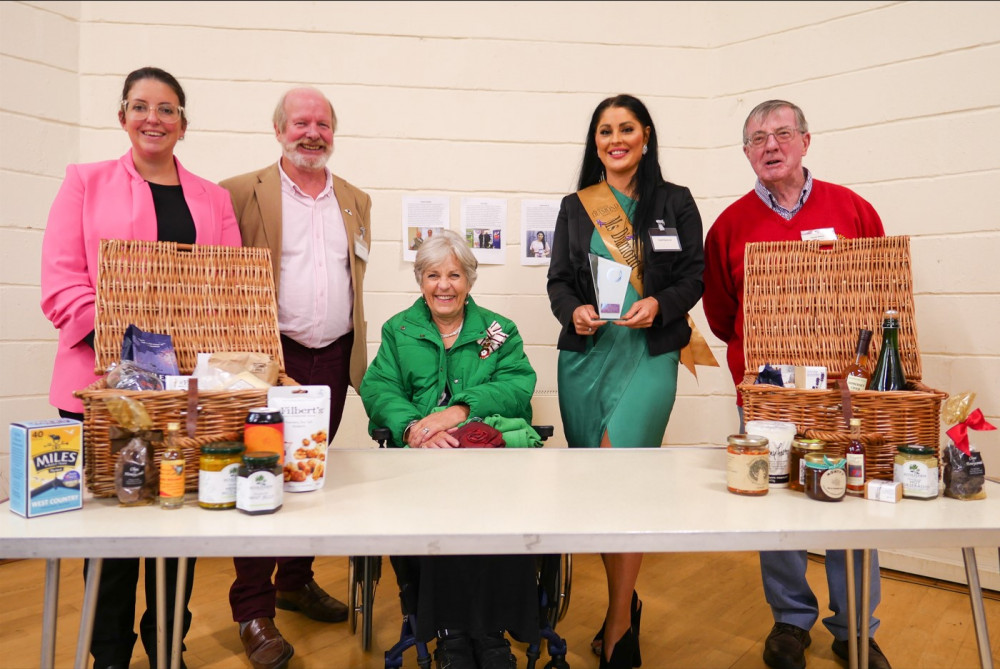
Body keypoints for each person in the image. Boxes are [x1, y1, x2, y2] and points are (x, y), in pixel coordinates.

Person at [40, 65, 241, 669]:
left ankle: (166, 650)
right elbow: (61, 280)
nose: (153, 118)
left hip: (185, 391)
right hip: (102, 389)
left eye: (167, 108)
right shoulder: (84, 182)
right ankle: (107, 656)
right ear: (122, 115)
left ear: (184, 122)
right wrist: (121, 352)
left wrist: (187, 357)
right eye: (140, 106)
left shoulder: (214, 198)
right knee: (112, 535)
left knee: (179, 526)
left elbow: (226, 287)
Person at [703, 100, 890, 669]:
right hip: (767, 395)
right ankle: (790, 620)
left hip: (845, 392)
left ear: (806, 141)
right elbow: (720, 313)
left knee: (848, 503)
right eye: (758, 138)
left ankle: (855, 626)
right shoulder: (729, 225)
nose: (771, 145)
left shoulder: (854, 210)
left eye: (782, 133)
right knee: (775, 505)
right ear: (745, 153)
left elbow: (880, 291)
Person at [546, 94, 705, 669]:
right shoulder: (576, 204)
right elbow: (559, 280)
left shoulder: (675, 202)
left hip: (648, 355)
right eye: (605, 131)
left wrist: (661, 302)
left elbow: (695, 275)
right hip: (587, 359)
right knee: (601, 492)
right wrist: (573, 313)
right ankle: (624, 603)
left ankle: (617, 627)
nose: (616, 139)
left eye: (627, 129)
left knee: (625, 476)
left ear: (645, 136)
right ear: (596, 142)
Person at [220, 86, 372, 669]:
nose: (313, 132)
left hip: (331, 356)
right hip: (268, 356)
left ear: (334, 132)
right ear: (279, 128)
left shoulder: (355, 199)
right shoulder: (239, 192)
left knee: (309, 471)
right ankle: (253, 609)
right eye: (301, 122)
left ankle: (295, 580)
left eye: (323, 124)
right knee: (260, 474)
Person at [360, 230, 539, 669]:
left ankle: (491, 632)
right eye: (434, 274)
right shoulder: (399, 330)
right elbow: (378, 387)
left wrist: (458, 413)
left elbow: (518, 387)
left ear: (470, 281)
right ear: (421, 280)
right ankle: (450, 632)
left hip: (486, 460)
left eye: (455, 275)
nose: (444, 285)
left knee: (499, 517)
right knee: (436, 518)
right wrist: (412, 428)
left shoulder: (499, 331)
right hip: (422, 462)